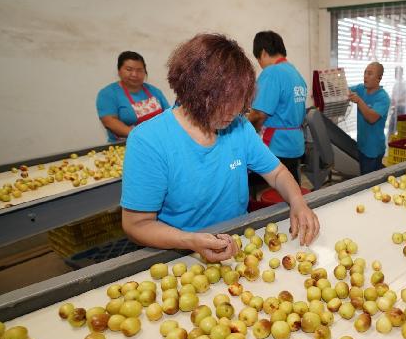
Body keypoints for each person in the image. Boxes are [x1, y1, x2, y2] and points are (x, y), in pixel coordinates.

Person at [121, 34, 319, 262]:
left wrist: (298, 203)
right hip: (179, 253)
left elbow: (277, 173)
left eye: (240, 103)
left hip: (237, 244)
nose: (235, 112)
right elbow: (137, 224)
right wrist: (190, 241)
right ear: (195, 92)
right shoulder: (149, 141)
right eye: (225, 103)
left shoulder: (239, 127)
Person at [247, 31, 308, 183]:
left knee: (258, 186)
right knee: (291, 187)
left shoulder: (272, 72)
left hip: (276, 146)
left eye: (258, 59)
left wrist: (245, 131)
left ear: (263, 52)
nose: (260, 65)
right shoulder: (295, 73)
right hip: (295, 144)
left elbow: (259, 114)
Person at [96, 51, 170, 142]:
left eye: (139, 70)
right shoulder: (108, 93)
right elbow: (110, 122)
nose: (134, 74)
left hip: (157, 142)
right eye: (129, 69)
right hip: (126, 145)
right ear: (119, 71)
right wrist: (140, 136)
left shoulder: (154, 91)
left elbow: (169, 116)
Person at [349, 62, 391, 175]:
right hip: (362, 145)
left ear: (379, 78)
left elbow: (371, 118)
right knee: (363, 176)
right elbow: (345, 91)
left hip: (373, 149)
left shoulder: (383, 98)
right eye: (365, 73)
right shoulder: (361, 88)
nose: (365, 76)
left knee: (369, 183)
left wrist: (359, 101)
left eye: (370, 73)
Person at [388, 65, 406, 139]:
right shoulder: (396, 84)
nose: (395, 75)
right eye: (395, 73)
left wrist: (397, 101)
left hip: (403, 108)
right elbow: (393, 98)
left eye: (397, 73)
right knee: (391, 129)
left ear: (401, 73)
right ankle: (389, 143)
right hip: (396, 108)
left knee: (399, 129)